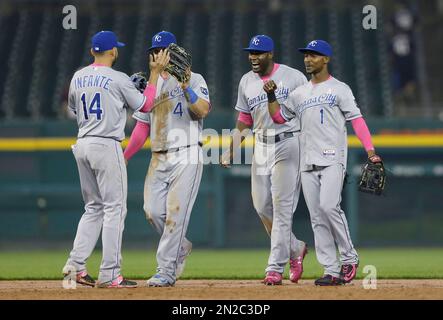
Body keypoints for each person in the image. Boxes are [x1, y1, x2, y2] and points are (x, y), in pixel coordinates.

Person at [265, 39, 383, 286]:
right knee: (317, 217)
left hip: (333, 158)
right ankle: (331, 269)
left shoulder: (340, 89)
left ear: (326, 59)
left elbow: (357, 121)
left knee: (330, 207)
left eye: (314, 55)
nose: (308, 59)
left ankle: (349, 258)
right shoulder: (299, 94)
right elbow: (278, 117)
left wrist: (371, 151)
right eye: (306, 55)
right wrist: (272, 95)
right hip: (307, 161)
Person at [62, 30, 169, 288]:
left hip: (83, 144)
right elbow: (146, 104)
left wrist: (121, 95)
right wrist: (153, 75)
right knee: (114, 209)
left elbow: (73, 109)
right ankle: (110, 273)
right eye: (116, 48)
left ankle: (75, 266)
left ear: (92, 51)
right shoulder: (118, 78)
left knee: (93, 207)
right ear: (114, 51)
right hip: (106, 145)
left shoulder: (78, 76)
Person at [124, 31, 211, 287]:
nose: (158, 54)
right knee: (152, 212)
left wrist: (186, 88)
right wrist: (125, 156)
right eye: (155, 50)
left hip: (187, 153)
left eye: (163, 49)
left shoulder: (193, 78)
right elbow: (142, 128)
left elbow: (203, 110)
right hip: (158, 156)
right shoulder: (150, 86)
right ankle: (180, 247)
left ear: (173, 52)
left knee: (175, 213)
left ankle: (166, 270)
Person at [220, 35, 308, 285]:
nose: (253, 57)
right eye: (251, 53)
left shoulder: (293, 77)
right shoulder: (246, 81)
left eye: (258, 53)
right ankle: (295, 248)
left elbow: (308, 110)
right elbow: (244, 120)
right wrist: (231, 149)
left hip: (288, 143)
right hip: (261, 145)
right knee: (261, 207)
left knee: (282, 209)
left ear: (270, 54)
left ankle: (274, 268)